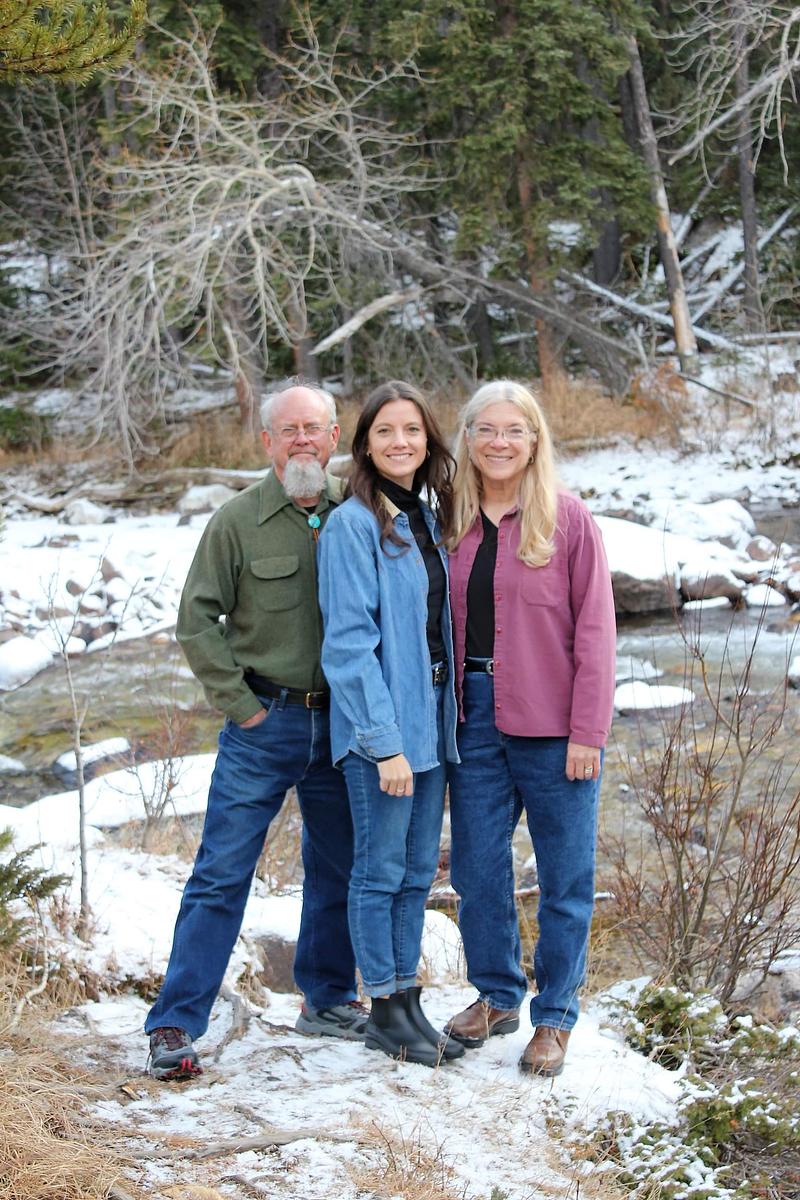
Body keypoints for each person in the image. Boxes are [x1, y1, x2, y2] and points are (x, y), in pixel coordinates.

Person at [145, 382, 366, 1080]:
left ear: (334, 437)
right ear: (267, 441)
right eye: (288, 430)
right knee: (220, 874)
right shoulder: (236, 522)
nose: (302, 440)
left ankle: (328, 999)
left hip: (343, 726)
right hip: (263, 724)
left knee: (339, 868)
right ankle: (175, 1022)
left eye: (314, 428)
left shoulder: (359, 513)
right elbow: (195, 621)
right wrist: (241, 706)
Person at [443, 379, 616, 1077]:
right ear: (468, 439)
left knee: (565, 875)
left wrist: (588, 732)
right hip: (472, 716)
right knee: (476, 869)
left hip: (554, 721)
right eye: (487, 429)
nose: (500, 442)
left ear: (535, 439)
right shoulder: (450, 519)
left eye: (514, 429)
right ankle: (497, 993)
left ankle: (555, 1015)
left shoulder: (568, 520)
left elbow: (596, 633)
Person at [317, 381, 464, 1067]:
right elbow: (349, 648)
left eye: (411, 430)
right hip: (382, 735)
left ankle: (407, 1002)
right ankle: (382, 1008)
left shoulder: (425, 518)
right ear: (365, 446)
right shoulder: (352, 526)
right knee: (378, 872)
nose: (400, 442)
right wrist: (384, 746)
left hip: (429, 726)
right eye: (385, 432)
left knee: (415, 875)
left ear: (428, 441)